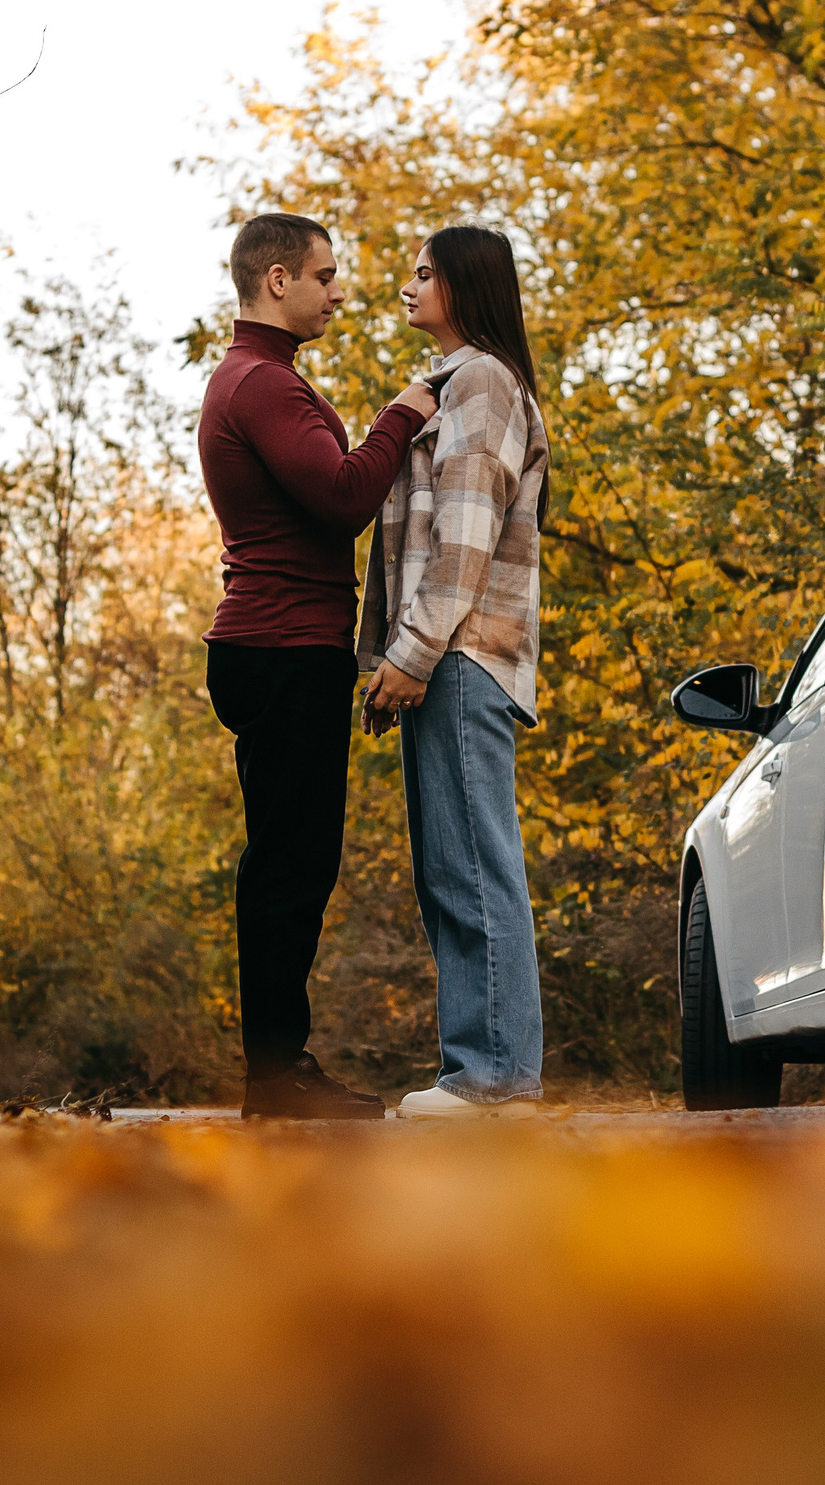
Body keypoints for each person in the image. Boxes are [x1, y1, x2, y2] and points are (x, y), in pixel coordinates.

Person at [198, 213, 439, 1120]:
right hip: (281, 645)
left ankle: (279, 1069)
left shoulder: (260, 381)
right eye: (326, 275)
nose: (340, 291)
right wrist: (401, 415)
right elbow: (343, 498)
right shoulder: (263, 386)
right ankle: (276, 1078)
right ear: (276, 281)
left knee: (289, 860)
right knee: (290, 866)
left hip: (277, 644)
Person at [358, 225, 552, 1120]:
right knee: (452, 869)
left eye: (424, 272)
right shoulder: (455, 384)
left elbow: (464, 533)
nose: (409, 284)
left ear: (466, 284)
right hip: (451, 655)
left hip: (462, 654)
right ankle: (477, 1076)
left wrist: (411, 652)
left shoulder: (479, 382)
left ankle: (494, 1081)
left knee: (473, 866)